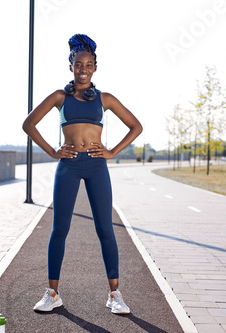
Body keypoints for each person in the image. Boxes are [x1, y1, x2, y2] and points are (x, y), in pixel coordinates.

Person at [22, 34, 142, 315]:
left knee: (105, 229)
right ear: (71, 66)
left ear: (95, 68)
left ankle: (115, 294)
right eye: (78, 64)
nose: (83, 69)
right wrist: (53, 151)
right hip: (70, 164)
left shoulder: (105, 99)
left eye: (89, 64)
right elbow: (28, 124)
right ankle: (52, 294)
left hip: (96, 165)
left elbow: (135, 126)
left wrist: (112, 152)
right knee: (59, 229)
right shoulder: (59, 97)